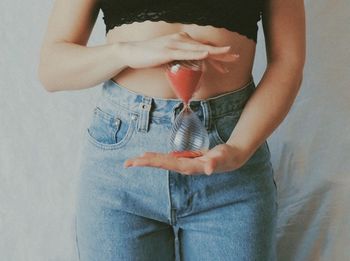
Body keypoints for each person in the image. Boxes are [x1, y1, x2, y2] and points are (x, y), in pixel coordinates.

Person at [38, 0, 305, 260]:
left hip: (231, 154)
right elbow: (52, 68)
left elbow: (287, 63)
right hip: (122, 165)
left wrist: (239, 148)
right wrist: (127, 52)